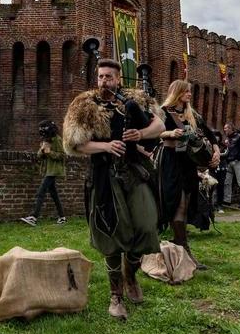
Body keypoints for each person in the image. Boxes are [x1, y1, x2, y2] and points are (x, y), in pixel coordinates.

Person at [63, 58, 165, 320]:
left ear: (118, 78)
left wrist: (141, 135)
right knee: (111, 231)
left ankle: (130, 275)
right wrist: (105, 147)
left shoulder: (137, 99)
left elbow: (160, 126)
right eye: (100, 77)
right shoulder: (85, 105)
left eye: (109, 76)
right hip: (104, 175)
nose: (104, 81)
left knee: (145, 224)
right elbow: (74, 144)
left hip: (134, 170)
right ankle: (115, 294)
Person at [155, 79, 220, 270]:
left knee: (186, 204)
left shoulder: (192, 114)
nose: (190, 94)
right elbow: (152, 134)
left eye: (190, 91)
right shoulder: (162, 111)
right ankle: (184, 250)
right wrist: (169, 134)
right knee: (177, 205)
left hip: (188, 163)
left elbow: (211, 134)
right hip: (170, 161)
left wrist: (216, 151)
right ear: (177, 92)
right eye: (186, 91)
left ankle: (180, 246)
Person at [21, 120, 66, 226]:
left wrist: (50, 152)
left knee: (41, 192)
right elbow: (39, 156)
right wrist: (42, 150)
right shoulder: (45, 140)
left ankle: (33, 216)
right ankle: (62, 217)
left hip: (53, 170)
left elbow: (62, 155)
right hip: (47, 170)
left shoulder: (57, 140)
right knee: (54, 195)